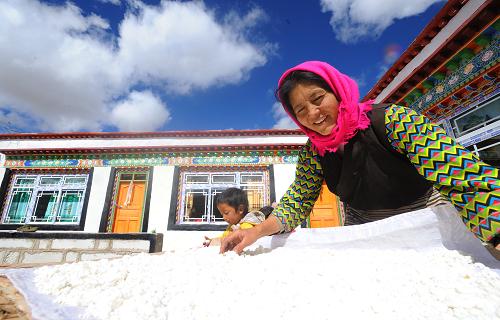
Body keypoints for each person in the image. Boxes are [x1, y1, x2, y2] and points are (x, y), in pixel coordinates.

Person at [220, 60, 499, 254]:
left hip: (428, 216)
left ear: (338, 92)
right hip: (365, 226)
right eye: (300, 110)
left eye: (318, 99)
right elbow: (299, 199)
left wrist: (495, 228)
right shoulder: (313, 151)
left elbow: (460, 174)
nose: (313, 115)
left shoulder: (394, 120)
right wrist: (256, 231)